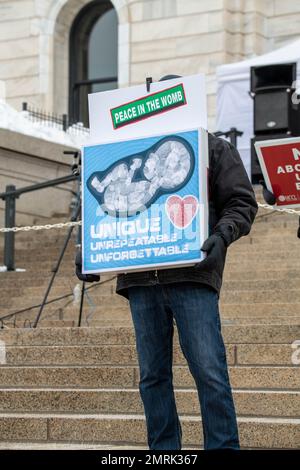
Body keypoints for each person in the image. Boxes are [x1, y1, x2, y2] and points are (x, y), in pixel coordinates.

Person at [75, 76, 258, 450]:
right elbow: (103, 212)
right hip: (141, 281)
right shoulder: (124, 151)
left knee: (209, 372)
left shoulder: (212, 148)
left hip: (193, 276)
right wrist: (90, 248)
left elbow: (242, 203)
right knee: (152, 377)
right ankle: (163, 452)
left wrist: (222, 236)